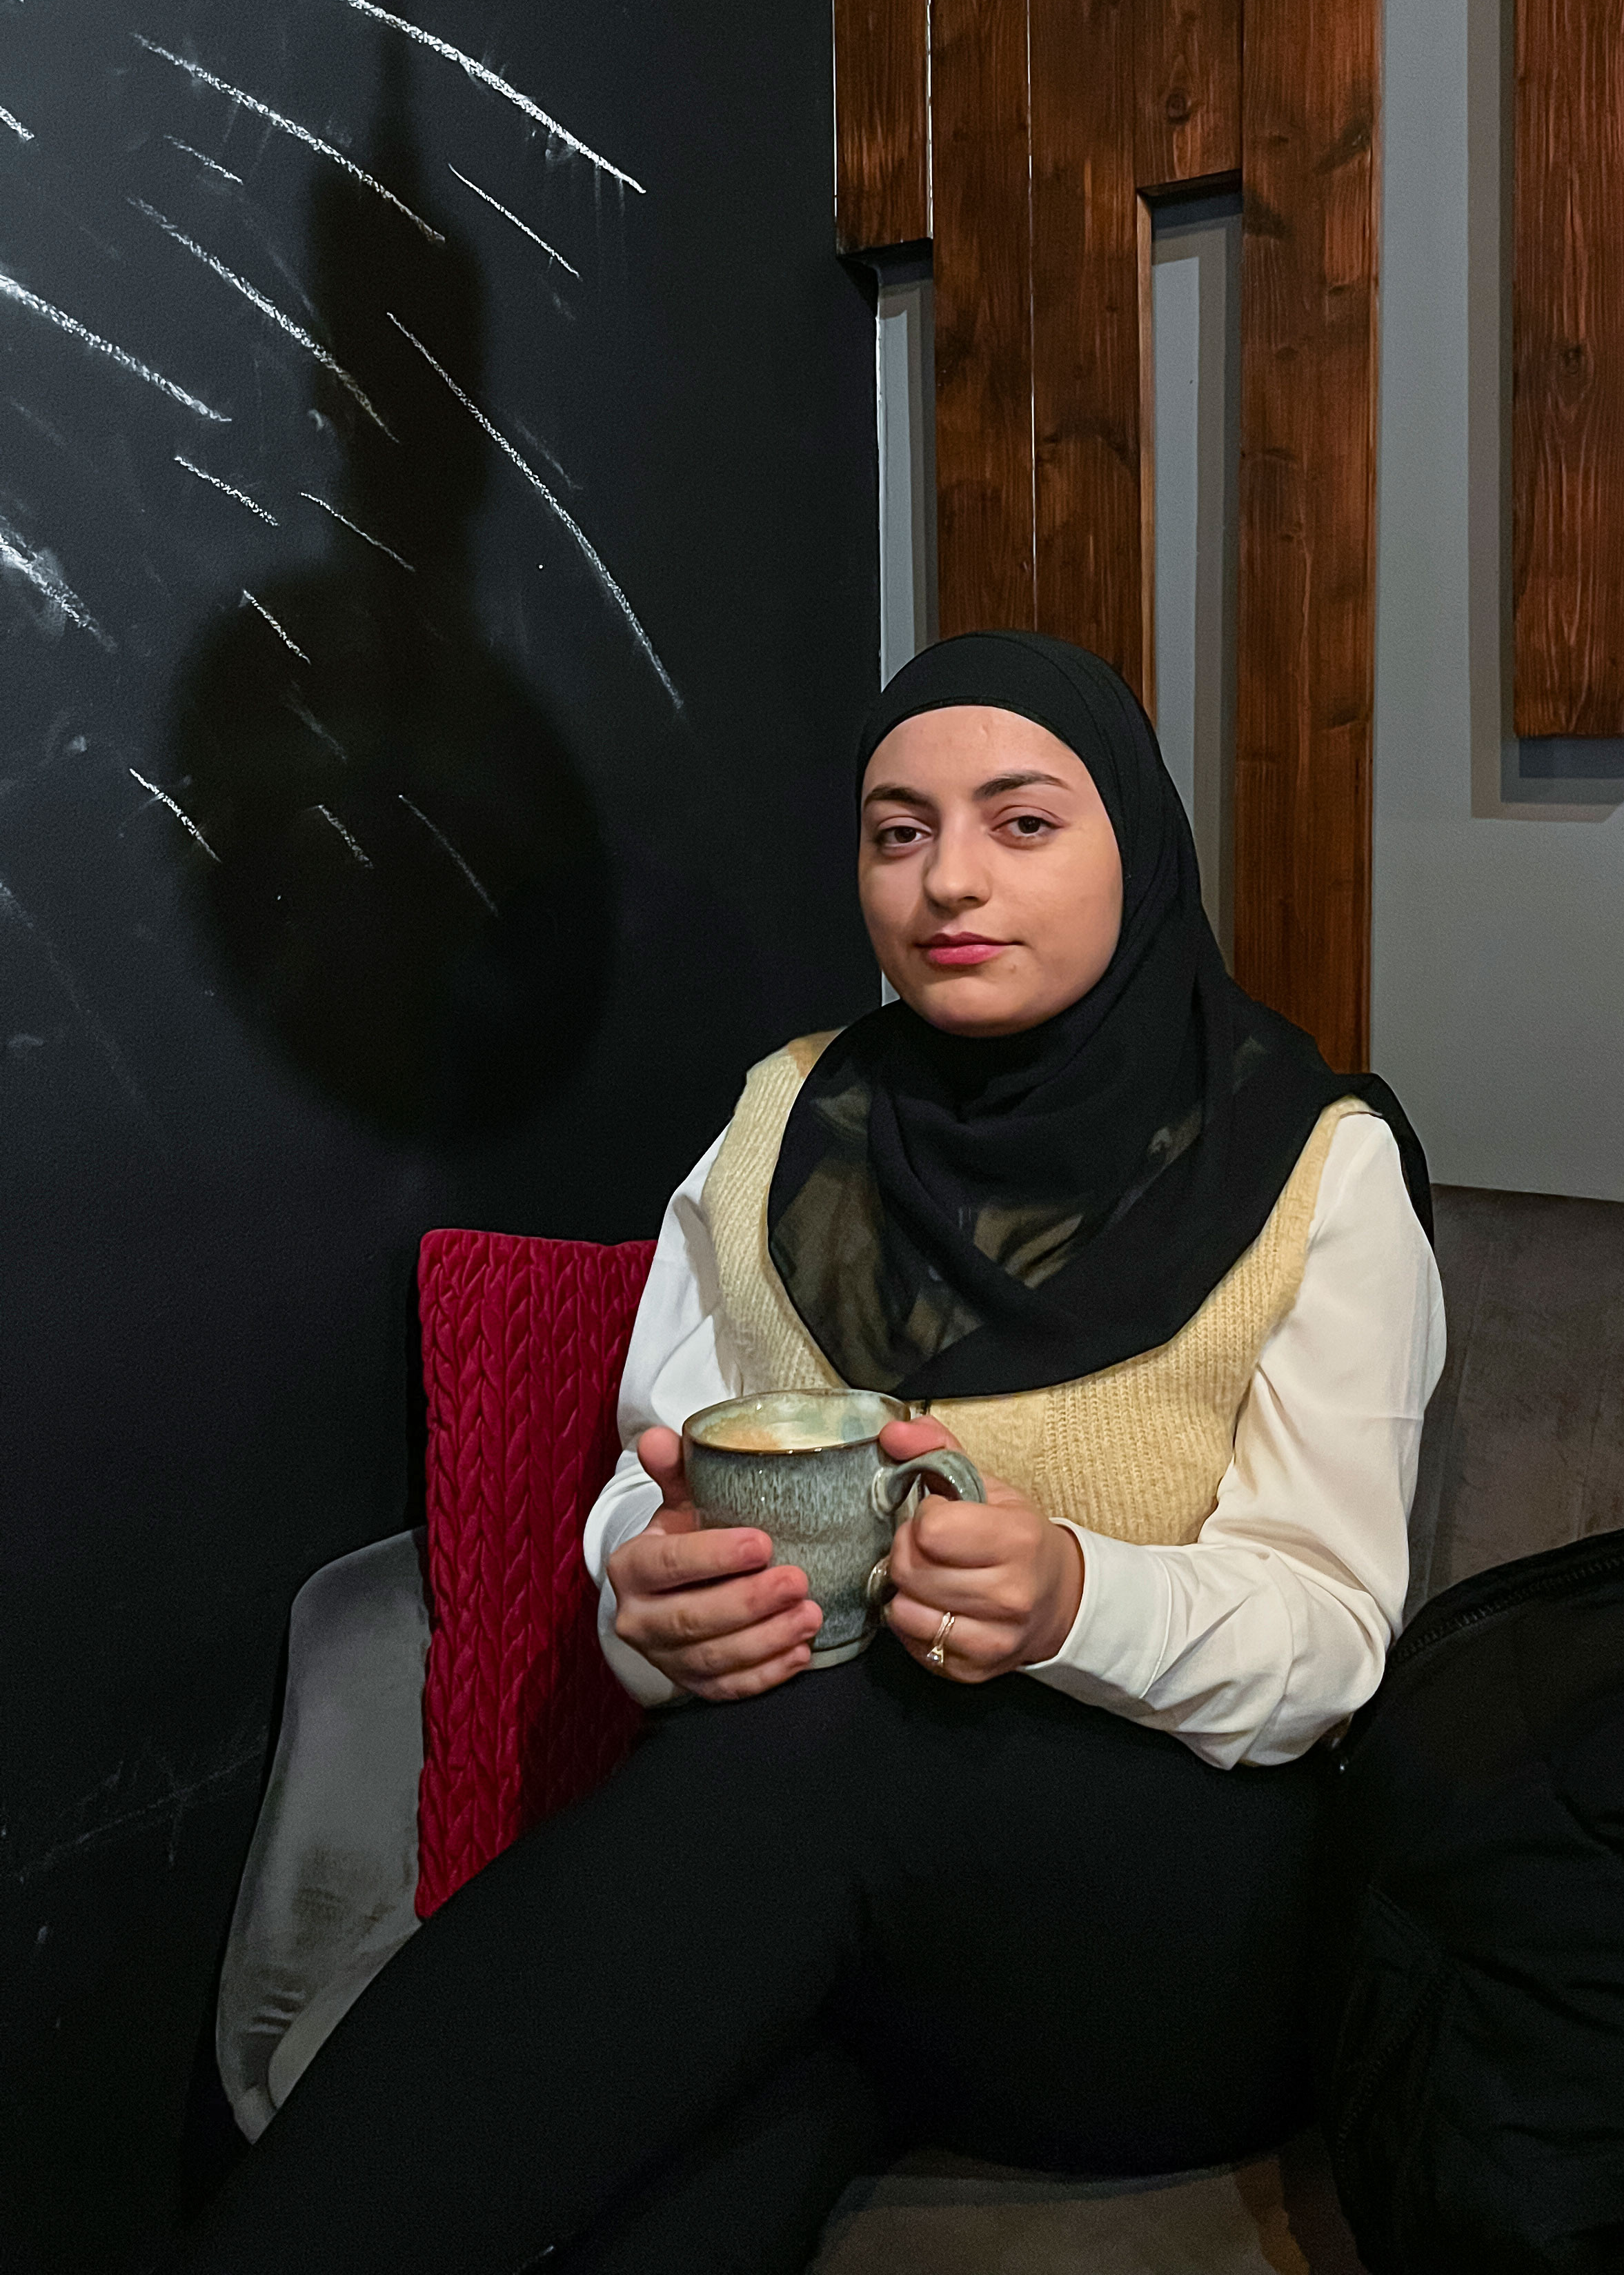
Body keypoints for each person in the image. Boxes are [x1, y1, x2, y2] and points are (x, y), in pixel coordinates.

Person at [173, 630, 1445, 2275]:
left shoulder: (1317, 1166)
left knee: (826, 1753)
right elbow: (656, 1474)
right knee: (711, 2139)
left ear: (1139, 840)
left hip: (1170, 1941)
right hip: (842, 1919)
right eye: (898, 832)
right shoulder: (783, 1121)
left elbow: (1336, 1638)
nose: (947, 883)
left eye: (1023, 823)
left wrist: (1073, 1600)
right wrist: (654, 1617)